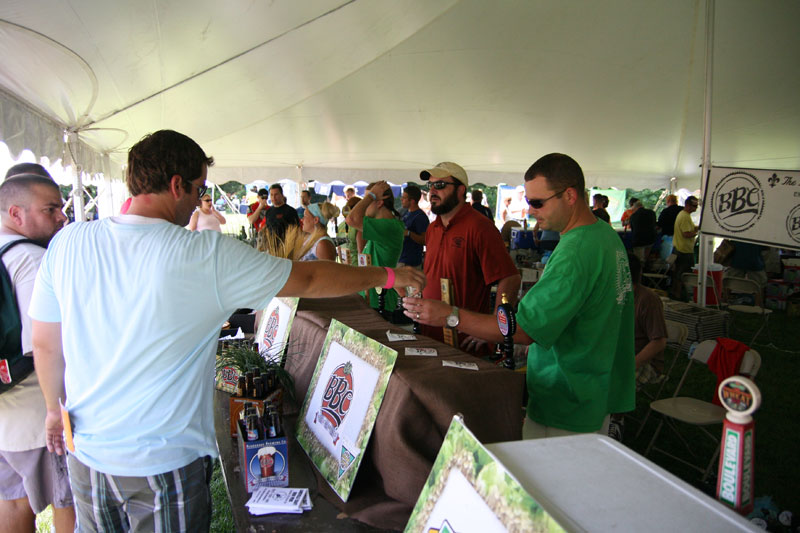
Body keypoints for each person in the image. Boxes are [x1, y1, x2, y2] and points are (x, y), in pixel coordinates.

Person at [27, 130, 425, 532]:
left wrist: (49, 410)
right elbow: (306, 281)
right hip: (163, 464)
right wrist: (388, 276)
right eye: (199, 188)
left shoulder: (69, 242)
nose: (201, 200)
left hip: (87, 455)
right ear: (177, 185)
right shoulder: (202, 254)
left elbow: (44, 344)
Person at [405, 154, 634, 438]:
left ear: (571, 195)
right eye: (528, 201)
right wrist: (493, 329)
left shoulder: (575, 253)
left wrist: (449, 315)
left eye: (537, 202)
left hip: (567, 396)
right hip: (594, 386)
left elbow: (523, 329)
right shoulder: (603, 235)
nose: (530, 211)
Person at [0, 175, 74, 532]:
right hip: (39, 415)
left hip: (5, 416)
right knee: (67, 501)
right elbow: (45, 345)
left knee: (12, 503)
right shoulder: (31, 259)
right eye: (50, 209)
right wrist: (54, 409)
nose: (61, 216)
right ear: (16, 213)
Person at [416, 162, 520, 352]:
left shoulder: (480, 227)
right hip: (430, 337)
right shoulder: (433, 228)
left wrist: (495, 328)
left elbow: (510, 278)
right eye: (429, 186)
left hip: (465, 344)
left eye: (439, 185)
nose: (432, 191)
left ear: (460, 190)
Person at [345, 182, 405, 314]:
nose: (364, 205)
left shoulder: (389, 226)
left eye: (368, 200)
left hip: (379, 298)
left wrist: (372, 195)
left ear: (379, 203)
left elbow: (352, 219)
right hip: (374, 296)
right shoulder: (384, 225)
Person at [671, 196, 699, 300]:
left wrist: (695, 228)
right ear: (687, 205)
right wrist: (697, 232)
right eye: (693, 206)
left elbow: (687, 229)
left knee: (678, 274)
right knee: (683, 275)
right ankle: (679, 296)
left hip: (679, 248)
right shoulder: (685, 216)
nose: (695, 208)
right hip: (684, 250)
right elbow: (686, 234)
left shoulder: (683, 215)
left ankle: (676, 294)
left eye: (696, 206)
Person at [398, 185, 429, 268]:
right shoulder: (405, 212)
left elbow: (425, 240)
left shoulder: (420, 217)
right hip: (401, 258)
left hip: (410, 262)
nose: (401, 199)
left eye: (404, 198)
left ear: (412, 201)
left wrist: (409, 233)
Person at [656, 194, 682, 260]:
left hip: (668, 236)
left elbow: (659, 224)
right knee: (678, 258)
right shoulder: (682, 210)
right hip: (681, 237)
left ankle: (667, 269)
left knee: (666, 258)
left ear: (668, 201)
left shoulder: (665, 211)